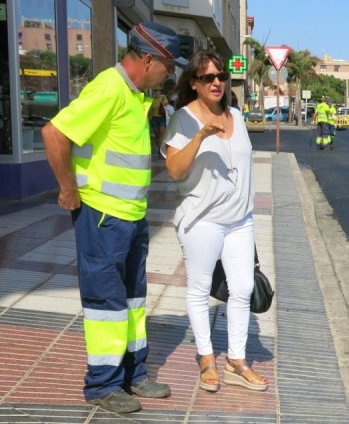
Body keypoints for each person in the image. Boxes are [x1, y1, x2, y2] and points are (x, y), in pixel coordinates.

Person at [41, 21, 185, 414]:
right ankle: (103, 385)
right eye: (169, 66)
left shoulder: (133, 94)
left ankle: (133, 375)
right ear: (150, 60)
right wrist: (68, 189)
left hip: (130, 219)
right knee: (106, 303)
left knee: (133, 301)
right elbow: (54, 134)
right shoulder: (109, 88)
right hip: (102, 219)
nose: (170, 74)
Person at [162, 50, 268, 394]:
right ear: (194, 83)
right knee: (199, 288)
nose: (217, 83)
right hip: (202, 220)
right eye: (208, 77)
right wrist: (201, 136)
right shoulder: (183, 119)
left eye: (220, 76)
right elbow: (175, 171)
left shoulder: (236, 114)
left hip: (239, 220)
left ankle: (236, 360)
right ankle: (206, 358)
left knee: (242, 288)